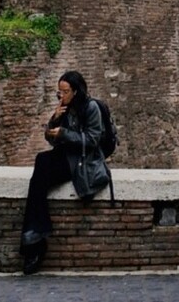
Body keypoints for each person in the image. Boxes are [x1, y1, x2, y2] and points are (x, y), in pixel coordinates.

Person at [19, 70, 110, 274]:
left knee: (39, 175)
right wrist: (54, 122)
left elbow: (93, 140)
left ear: (76, 91)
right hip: (65, 157)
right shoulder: (65, 108)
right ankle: (35, 239)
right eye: (58, 92)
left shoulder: (91, 107)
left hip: (81, 161)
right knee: (39, 174)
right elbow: (51, 139)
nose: (61, 96)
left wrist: (65, 133)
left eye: (65, 92)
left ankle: (34, 244)